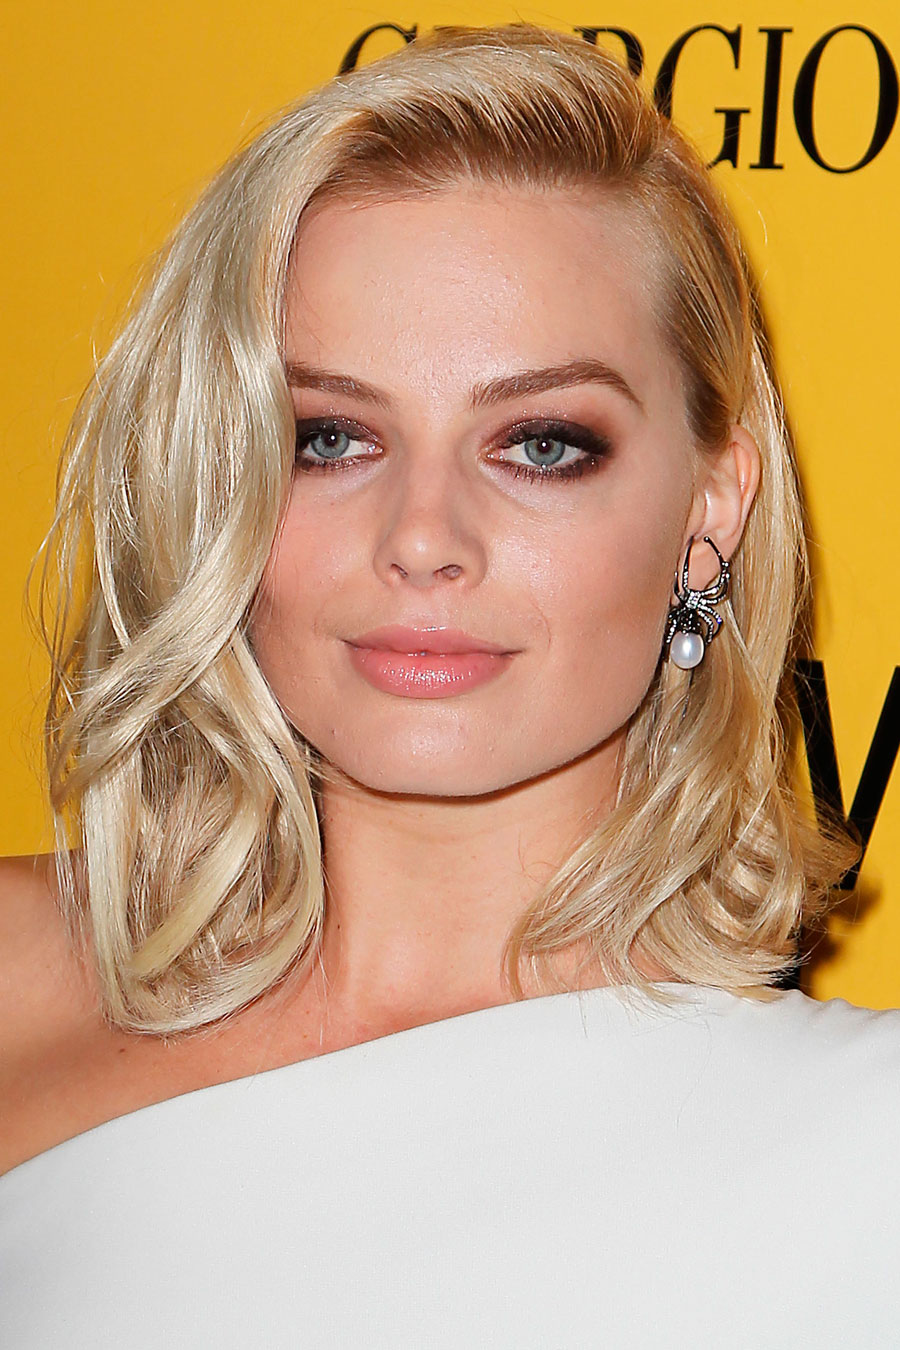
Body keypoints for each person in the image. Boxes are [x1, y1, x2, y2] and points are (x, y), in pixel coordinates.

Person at [1, 21, 898, 1347]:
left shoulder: (864, 1151)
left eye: (541, 444)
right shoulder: (16, 977)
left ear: (708, 513)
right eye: (330, 437)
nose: (423, 537)